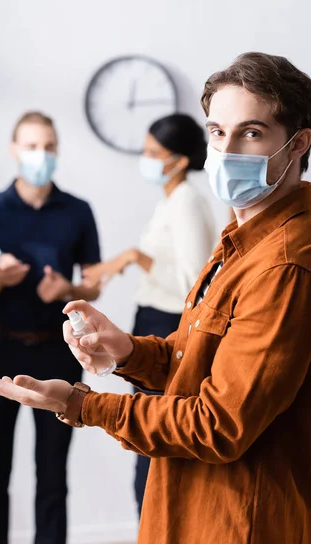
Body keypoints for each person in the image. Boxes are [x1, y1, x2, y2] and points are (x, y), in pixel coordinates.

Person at [0, 52, 311, 544]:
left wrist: (83, 404)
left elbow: (218, 422)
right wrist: (127, 350)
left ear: (298, 144)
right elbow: (200, 364)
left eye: (251, 132)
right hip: (195, 507)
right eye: (217, 132)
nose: (226, 150)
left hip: (243, 520)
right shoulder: (239, 243)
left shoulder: (288, 263)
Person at [0, 112, 101, 544]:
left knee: (53, 475)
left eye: (47, 146)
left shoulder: (78, 212)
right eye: (30, 146)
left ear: (57, 150)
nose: (39, 154)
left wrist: (69, 288)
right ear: (13, 150)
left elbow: (93, 285)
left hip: (56, 352)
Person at [83, 113, 215, 514]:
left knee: (152, 434)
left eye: (153, 152)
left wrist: (133, 257)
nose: (145, 158)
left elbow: (197, 283)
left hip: (168, 327)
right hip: (151, 322)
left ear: (177, 159)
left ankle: (154, 525)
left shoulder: (188, 202)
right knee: (143, 437)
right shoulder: (171, 201)